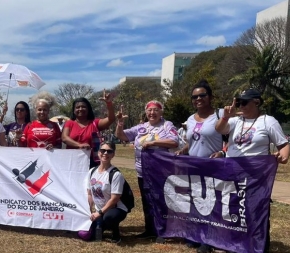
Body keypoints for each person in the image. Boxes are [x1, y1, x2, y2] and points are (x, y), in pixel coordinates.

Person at [215, 89, 290, 253]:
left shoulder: (268, 121)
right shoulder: (236, 121)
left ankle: (258, 246)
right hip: (232, 173)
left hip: (256, 177)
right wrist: (226, 116)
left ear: (256, 102)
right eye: (238, 102)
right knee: (232, 209)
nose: (240, 105)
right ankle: (234, 244)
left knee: (256, 211)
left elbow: (283, 144)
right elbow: (220, 129)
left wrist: (283, 157)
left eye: (244, 102)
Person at [113, 100, 178, 244]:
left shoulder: (167, 125)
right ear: (146, 112)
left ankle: (162, 230)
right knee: (147, 201)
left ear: (161, 112)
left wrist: (154, 143)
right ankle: (149, 229)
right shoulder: (142, 127)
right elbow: (122, 136)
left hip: (160, 171)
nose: (152, 113)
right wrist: (119, 123)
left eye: (156, 110)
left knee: (160, 200)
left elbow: (174, 142)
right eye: (149, 110)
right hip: (143, 172)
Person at [175, 80, 224, 252]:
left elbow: (231, 139)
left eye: (202, 95)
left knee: (211, 202)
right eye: (194, 97)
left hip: (213, 166)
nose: (198, 99)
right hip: (193, 166)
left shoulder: (220, 115)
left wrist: (222, 152)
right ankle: (197, 234)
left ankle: (209, 239)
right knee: (197, 201)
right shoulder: (190, 118)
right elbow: (194, 140)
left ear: (210, 97)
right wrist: (184, 150)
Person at [84, 141, 128, 243]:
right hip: (99, 210)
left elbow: (114, 199)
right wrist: (88, 211)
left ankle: (116, 233)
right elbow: (90, 194)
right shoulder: (91, 172)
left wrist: (99, 213)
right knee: (90, 235)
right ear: (98, 152)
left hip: (116, 209)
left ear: (113, 154)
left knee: (109, 217)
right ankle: (100, 226)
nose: (105, 154)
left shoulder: (116, 174)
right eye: (103, 150)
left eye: (109, 151)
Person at [61, 91, 115, 167]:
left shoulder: (95, 123)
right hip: (72, 161)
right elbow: (64, 138)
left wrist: (109, 104)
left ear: (88, 109)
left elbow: (111, 119)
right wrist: (79, 145)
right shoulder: (69, 123)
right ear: (73, 110)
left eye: (83, 107)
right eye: (77, 107)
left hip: (92, 162)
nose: (80, 109)